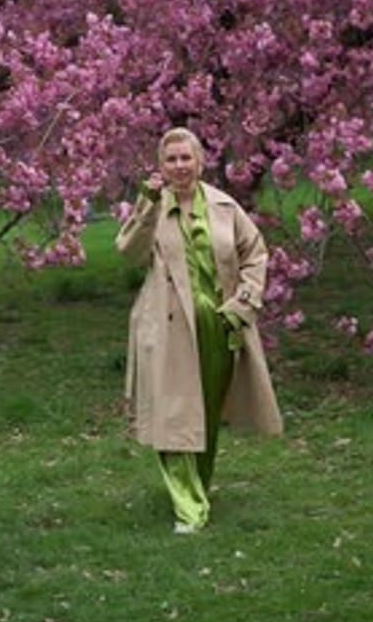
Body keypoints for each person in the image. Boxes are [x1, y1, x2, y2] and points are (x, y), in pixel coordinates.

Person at [115, 127, 283, 533]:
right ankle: (188, 508)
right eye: (170, 159)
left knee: (203, 413)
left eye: (185, 158)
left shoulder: (224, 206)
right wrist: (150, 204)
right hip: (168, 324)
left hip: (219, 322)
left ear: (200, 161)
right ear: (160, 166)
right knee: (172, 415)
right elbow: (129, 253)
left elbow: (255, 253)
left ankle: (197, 487)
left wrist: (243, 303)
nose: (179, 166)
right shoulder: (152, 204)